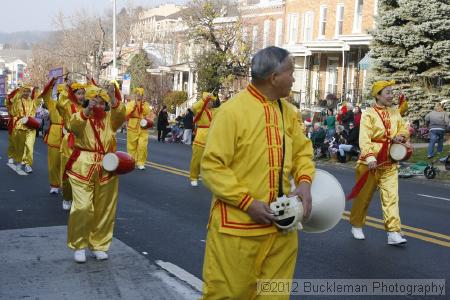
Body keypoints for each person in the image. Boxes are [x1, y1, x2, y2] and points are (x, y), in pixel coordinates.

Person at [199, 46, 315, 299]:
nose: (294, 78)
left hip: (282, 229)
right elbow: (212, 166)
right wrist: (248, 203)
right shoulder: (231, 112)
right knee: (228, 295)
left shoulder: (289, 113)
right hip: (237, 230)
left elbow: (302, 152)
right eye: (291, 72)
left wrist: (305, 181)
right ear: (274, 78)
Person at [65, 84, 125, 263]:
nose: (98, 106)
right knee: (83, 207)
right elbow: (73, 127)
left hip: (107, 167)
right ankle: (79, 245)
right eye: (94, 102)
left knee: (104, 208)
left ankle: (99, 244)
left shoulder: (109, 119)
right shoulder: (79, 116)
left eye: (102, 103)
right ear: (88, 102)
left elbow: (120, 116)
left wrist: (114, 99)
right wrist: (86, 111)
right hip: (83, 166)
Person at [348, 80, 410, 245]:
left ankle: (393, 232)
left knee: (391, 198)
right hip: (370, 163)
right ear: (378, 95)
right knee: (364, 197)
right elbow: (364, 138)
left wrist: (401, 136)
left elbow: (404, 128)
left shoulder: (395, 113)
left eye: (392, 92)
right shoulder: (368, 114)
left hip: (389, 162)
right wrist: (370, 158)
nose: (391, 96)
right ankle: (356, 225)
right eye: (388, 92)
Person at [57, 82, 86, 210]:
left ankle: (79, 198)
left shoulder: (87, 107)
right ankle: (67, 197)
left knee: (82, 173)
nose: (82, 96)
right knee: (67, 172)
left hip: (84, 143)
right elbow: (59, 103)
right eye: (79, 93)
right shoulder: (67, 106)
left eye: (83, 93)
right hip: (70, 142)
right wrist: (66, 89)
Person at [40, 78, 64, 194]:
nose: (62, 96)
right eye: (60, 94)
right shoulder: (53, 104)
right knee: (53, 163)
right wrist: (51, 85)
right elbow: (45, 96)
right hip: (55, 135)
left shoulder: (74, 106)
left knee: (68, 165)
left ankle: (66, 187)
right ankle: (54, 185)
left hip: (69, 138)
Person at [10, 85, 40, 173]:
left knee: (30, 146)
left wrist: (37, 89)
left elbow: (38, 101)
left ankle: (28, 164)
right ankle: (19, 162)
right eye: (25, 91)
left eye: (28, 91)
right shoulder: (18, 101)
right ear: (22, 92)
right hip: (20, 126)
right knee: (20, 147)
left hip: (30, 126)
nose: (26, 93)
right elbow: (13, 112)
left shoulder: (32, 102)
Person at [189, 92, 215, 187]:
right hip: (201, 137)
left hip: (212, 138)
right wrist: (203, 100)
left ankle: (209, 178)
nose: (211, 103)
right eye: (209, 101)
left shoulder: (214, 111)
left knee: (212, 161)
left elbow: (225, 110)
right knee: (197, 160)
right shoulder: (200, 111)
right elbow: (194, 107)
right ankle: (194, 177)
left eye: (212, 101)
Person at [126, 87, 153, 170]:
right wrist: (133, 108)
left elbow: (148, 113)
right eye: (138, 94)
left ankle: (141, 162)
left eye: (141, 95)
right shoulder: (131, 103)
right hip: (132, 126)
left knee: (142, 145)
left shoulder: (146, 104)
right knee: (131, 146)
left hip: (143, 127)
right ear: (135, 95)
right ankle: (132, 161)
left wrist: (143, 105)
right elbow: (126, 113)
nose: (139, 96)